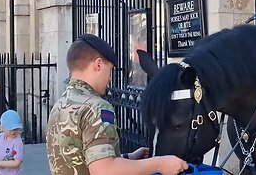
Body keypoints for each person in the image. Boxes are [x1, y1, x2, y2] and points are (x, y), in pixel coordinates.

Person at [46, 34, 188, 175]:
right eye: (110, 70)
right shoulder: (96, 107)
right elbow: (104, 170)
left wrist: (128, 158)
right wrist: (159, 164)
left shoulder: (60, 105)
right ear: (98, 64)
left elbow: (81, 160)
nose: (110, 79)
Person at [0, 110, 24, 175]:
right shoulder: (0, 138)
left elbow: (17, 163)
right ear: (2, 128)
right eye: (10, 129)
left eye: (16, 129)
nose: (13, 132)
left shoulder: (17, 141)